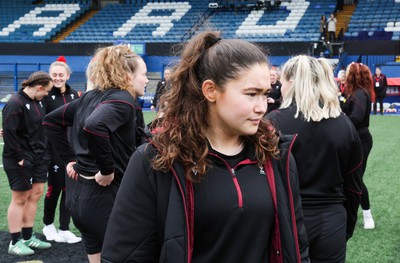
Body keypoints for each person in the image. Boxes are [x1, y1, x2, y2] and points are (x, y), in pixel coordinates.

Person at [101, 31, 310, 263]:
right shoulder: (156, 159)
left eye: (265, 95)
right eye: (251, 94)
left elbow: (296, 244)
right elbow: (124, 255)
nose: (262, 107)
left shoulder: (276, 155)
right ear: (211, 90)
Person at [43, 45, 149, 263]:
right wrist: (106, 169)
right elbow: (94, 125)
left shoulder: (89, 97)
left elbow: (50, 121)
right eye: (144, 74)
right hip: (105, 198)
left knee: (96, 254)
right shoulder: (122, 99)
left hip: (80, 199)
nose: (146, 80)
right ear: (128, 76)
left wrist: (70, 159)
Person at [266, 55, 363, 263]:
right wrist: (346, 226)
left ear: (292, 82)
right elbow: (354, 186)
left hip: (286, 219)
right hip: (331, 220)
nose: (280, 88)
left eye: (282, 82)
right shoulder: (345, 125)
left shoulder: (272, 123)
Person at [2, 71, 53, 256]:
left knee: (36, 194)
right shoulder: (15, 103)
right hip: (20, 159)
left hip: (40, 156)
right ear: (39, 87)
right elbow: (9, 133)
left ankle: (27, 237)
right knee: (20, 198)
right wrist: (19, 158)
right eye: (46, 91)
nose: (47, 94)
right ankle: (15, 242)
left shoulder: (38, 101)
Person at [42, 56, 82, 244]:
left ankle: (64, 228)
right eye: (54, 75)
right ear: (50, 76)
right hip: (53, 150)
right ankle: (48, 225)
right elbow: (37, 119)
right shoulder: (46, 95)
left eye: (61, 74)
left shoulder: (75, 95)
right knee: (55, 187)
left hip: (72, 150)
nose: (58, 78)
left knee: (69, 188)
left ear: (67, 75)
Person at [342, 62, 376, 230]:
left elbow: (356, 118)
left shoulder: (360, 94)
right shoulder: (353, 93)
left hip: (361, 141)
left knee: (356, 179)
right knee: (349, 178)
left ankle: (367, 214)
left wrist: (339, 120)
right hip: (354, 140)